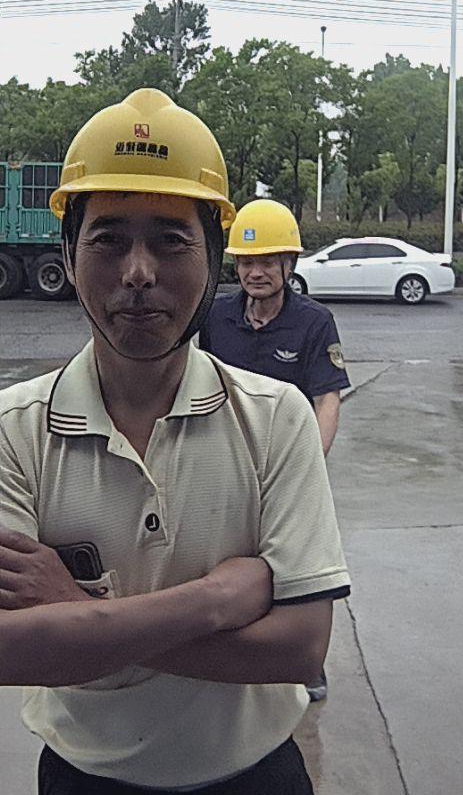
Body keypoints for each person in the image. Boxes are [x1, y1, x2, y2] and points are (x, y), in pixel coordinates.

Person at [0, 88, 350, 795]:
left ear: (212, 257)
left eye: (170, 240)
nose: (138, 272)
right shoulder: (14, 429)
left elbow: (298, 648)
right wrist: (217, 600)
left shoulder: (278, 419)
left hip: (256, 777)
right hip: (83, 779)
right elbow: (12, 653)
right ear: (68, 254)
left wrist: (80, 615)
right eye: (108, 239)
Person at [199, 198, 350, 701]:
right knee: (227, 561)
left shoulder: (314, 322)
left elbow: (327, 398)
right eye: (246, 262)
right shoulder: (216, 316)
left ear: (289, 264)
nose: (255, 273)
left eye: (267, 261)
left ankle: (306, 661)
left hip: (287, 467)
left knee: (300, 569)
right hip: (226, 464)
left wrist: (309, 465)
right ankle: (233, 647)